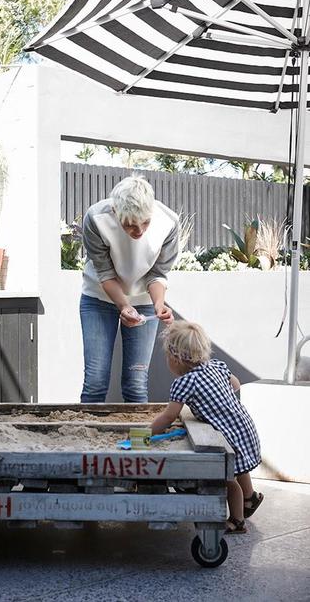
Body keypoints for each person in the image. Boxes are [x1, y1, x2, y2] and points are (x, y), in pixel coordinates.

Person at [150, 320, 264, 533]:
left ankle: (238, 521)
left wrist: (148, 433)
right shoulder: (216, 366)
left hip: (228, 434)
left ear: (175, 359)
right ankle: (250, 498)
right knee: (239, 467)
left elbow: (168, 416)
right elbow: (236, 384)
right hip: (243, 426)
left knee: (228, 479)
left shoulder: (184, 382)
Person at [80, 175, 179, 403]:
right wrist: (123, 305)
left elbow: (157, 273)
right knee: (95, 381)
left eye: (145, 222)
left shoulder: (169, 222)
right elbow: (105, 272)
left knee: (136, 384)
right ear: (115, 211)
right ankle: (87, 438)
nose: (139, 230)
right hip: (98, 298)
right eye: (130, 224)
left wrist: (158, 304)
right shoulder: (96, 218)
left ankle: (139, 439)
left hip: (144, 300)